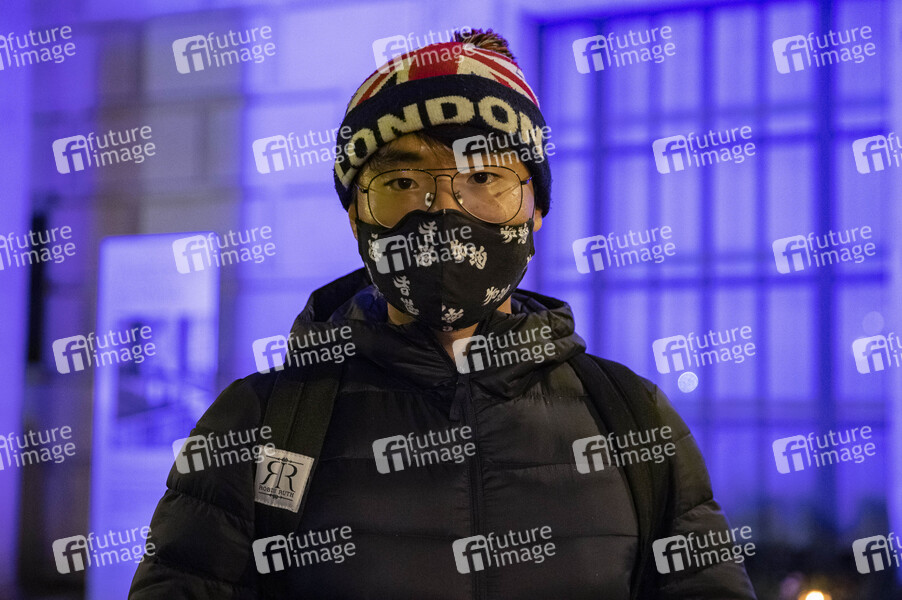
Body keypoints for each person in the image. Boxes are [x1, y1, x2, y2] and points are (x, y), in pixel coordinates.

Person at [129, 29, 758, 599]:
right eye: (403, 183)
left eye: (484, 178)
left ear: (535, 210)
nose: (445, 211)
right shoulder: (263, 425)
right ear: (356, 218)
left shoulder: (632, 418)